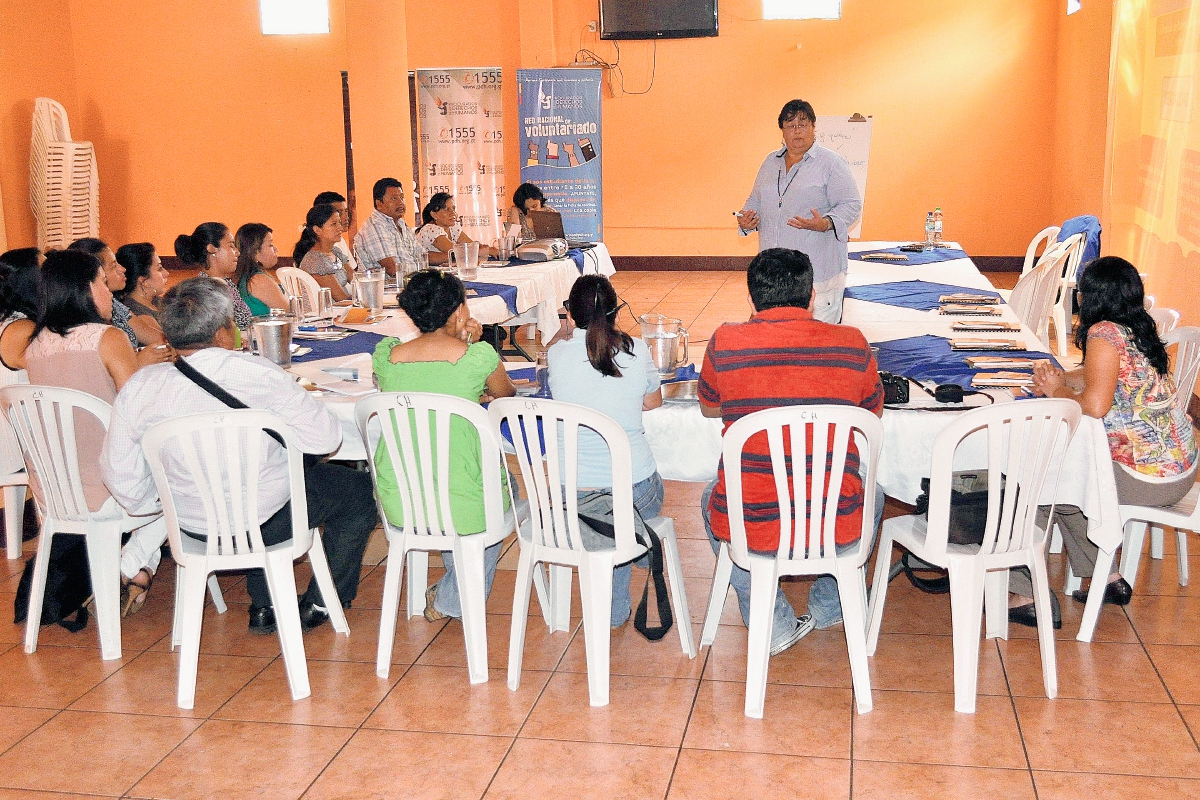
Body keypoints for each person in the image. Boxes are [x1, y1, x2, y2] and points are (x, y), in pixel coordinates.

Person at [100, 277, 378, 633]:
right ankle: (321, 601)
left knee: (265, 487)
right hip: (269, 522)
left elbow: (120, 476)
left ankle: (265, 605)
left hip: (188, 528)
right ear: (222, 331)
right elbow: (325, 440)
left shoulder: (140, 387)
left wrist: (164, 503)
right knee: (354, 491)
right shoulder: (259, 374)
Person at [698, 247, 884, 655]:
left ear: (750, 301)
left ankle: (773, 621)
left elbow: (710, 404)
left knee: (711, 498)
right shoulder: (852, 344)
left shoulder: (726, 341)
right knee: (875, 493)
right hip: (835, 522)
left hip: (754, 525)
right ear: (813, 295)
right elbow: (871, 412)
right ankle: (829, 602)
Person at [1017, 256, 1198, 622]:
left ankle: (1022, 591)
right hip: (1181, 470)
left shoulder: (1102, 333)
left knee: (1039, 482)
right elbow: (1103, 374)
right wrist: (1064, 378)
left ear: (1087, 297)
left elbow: (1095, 406)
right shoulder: (1137, 325)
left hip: (1147, 480)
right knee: (1066, 478)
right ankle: (1105, 576)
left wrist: (1056, 392)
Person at [10, 249, 170, 614]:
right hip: (111, 488)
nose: (109, 292)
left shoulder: (34, 345)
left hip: (56, 493)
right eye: (102, 282)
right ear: (84, 289)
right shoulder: (107, 338)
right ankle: (128, 566)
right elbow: (138, 412)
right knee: (190, 475)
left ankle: (138, 571)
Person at [372, 269, 516, 621]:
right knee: (498, 489)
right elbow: (506, 396)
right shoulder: (477, 358)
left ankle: (454, 583)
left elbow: (411, 382)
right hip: (464, 502)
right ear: (457, 312)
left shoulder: (387, 356)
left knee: (456, 481)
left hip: (401, 499)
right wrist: (472, 348)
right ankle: (453, 598)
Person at [548, 274, 664, 627]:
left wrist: (562, 334)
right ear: (616, 311)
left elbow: (557, 353)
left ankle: (612, 608)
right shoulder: (636, 349)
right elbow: (652, 402)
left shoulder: (557, 354)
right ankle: (636, 545)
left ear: (570, 314)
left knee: (606, 519)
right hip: (635, 493)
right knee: (624, 508)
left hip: (570, 497)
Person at [736, 100, 862, 324]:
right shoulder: (769, 162)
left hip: (817, 274)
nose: (797, 131)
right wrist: (748, 220)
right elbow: (755, 199)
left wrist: (825, 223)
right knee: (775, 342)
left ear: (814, 127)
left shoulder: (831, 163)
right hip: (774, 274)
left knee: (817, 346)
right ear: (782, 131)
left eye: (803, 124)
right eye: (790, 125)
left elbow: (851, 204)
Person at [175, 222, 254, 330]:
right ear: (211, 249)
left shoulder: (226, 282)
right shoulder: (206, 290)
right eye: (231, 246)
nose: (237, 252)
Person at [67, 238, 139, 348]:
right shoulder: (83, 324)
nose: (123, 269)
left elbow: (148, 333)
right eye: (114, 266)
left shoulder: (114, 303)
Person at [354, 177, 424, 278]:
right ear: (379, 204)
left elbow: (422, 255)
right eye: (394, 198)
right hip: (388, 288)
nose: (400, 202)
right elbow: (392, 269)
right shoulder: (375, 226)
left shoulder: (401, 223)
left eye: (402, 197)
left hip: (410, 281)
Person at [415, 192, 496, 263]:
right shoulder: (430, 229)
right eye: (446, 210)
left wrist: (482, 248)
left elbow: (471, 246)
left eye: (453, 209)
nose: (452, 213)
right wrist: (488, 251)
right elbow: (456, 252)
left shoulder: (453, 227)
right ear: (434, 215)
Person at [115, 242, 169, 346]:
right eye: (159, 268)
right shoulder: (138, 312)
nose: (166, 273)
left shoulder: (155, 300)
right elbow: (166, 344)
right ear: (144, 281)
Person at [295, 204, 352, 301]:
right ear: (317, 230)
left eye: (339, 223)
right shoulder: (315, 260)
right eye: (333, 224)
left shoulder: (335, 252)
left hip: (341, 310)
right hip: (329, 313)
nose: (340, 228)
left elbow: (357, 280)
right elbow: (341, 299)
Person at [232, 223, 288, 315]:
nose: (276, 249)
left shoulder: (239, 276)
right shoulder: (258, 280)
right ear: (256, 252)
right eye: (270, 245)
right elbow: (288, 313)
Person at [313, 190, 358, 274]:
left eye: (346, 211)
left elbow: (353, 275)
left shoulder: (338, 243)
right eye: (339, 213)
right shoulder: (315, 257)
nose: (346, 217)